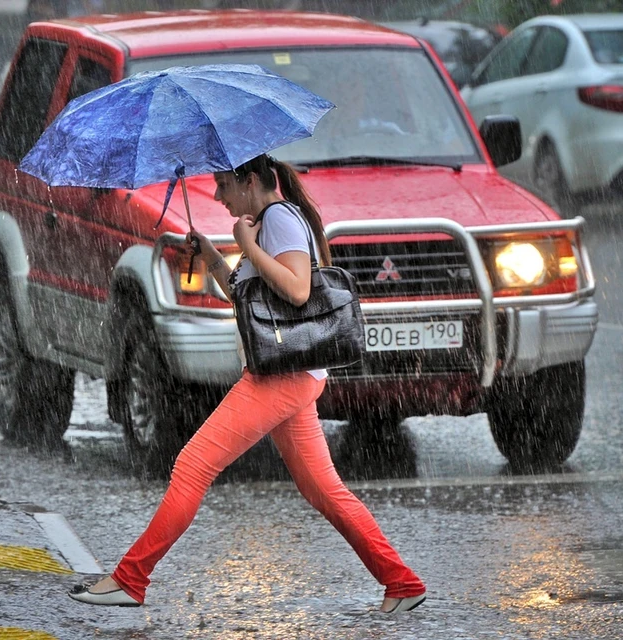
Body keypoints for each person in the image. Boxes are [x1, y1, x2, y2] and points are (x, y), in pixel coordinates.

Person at [68, 153, 427, 614]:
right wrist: (217, 256)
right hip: (290, 374)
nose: (217, 195)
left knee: (192, 465)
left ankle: (130, 580)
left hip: (282, 376)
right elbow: (245, 294)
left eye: (223, 184)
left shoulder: (277, 221)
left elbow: (297, 290)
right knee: (324, 490)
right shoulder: (268, 220)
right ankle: (401, 581)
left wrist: (247, 244)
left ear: (251, 180)